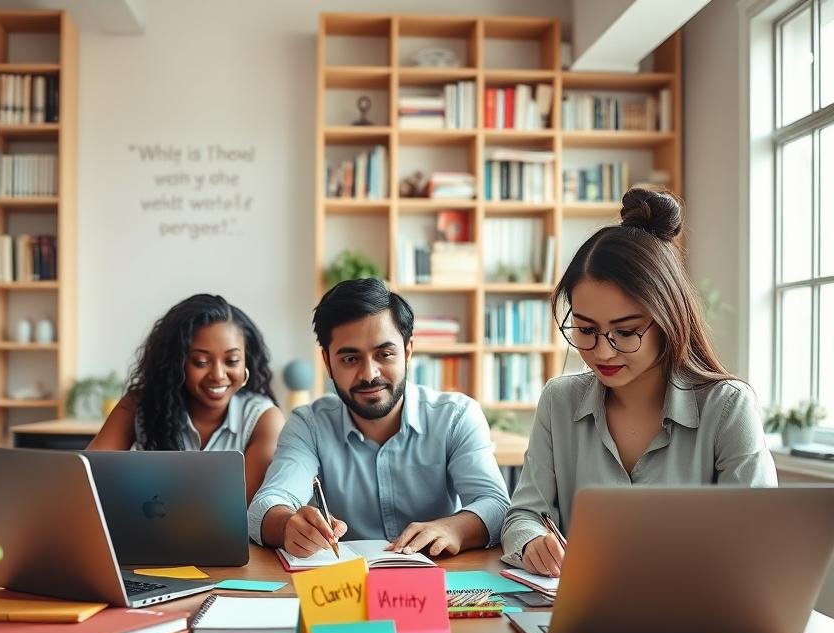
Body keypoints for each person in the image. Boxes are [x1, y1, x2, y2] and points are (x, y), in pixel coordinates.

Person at [501, 188, 777, 577]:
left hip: (697, 617)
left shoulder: (727, 407)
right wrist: (532, 541)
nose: (603, 352)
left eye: (626, 332)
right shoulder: (559, 400)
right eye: (585, 330)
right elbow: (524, 515)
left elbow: (759, 541)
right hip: (579, 616)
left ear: (668, 320)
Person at [247, 278, 510, 558]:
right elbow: (265, 505)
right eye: (350, 359)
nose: (369, 374)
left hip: (438, 582)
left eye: (384, 354)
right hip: (344, 587)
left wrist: (454, 528)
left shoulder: (455, 416)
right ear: (327, 362)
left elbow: (495, 504)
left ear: (408, 351)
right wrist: (288, 524)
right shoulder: (309, 425)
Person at [89, 294, 284, 503]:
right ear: (177, 363)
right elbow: (86, 476)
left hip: (225, 537)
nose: (218, 374)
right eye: (200, 362)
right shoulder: (140, 404)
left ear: (247, 361)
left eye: (232, 360)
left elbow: (239, 507)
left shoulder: (264, 419)